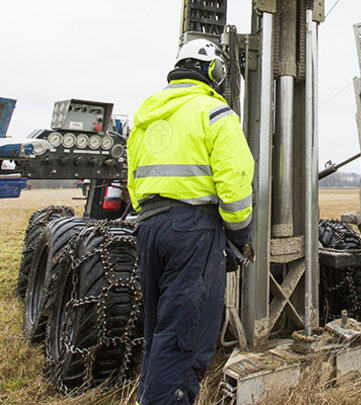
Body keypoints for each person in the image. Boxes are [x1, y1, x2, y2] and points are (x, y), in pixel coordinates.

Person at [127, 39, 254, 404]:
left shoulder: (147, 115)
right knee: (186, 336)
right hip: (193, 232)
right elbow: (235, 181)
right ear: (213, 71)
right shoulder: (214, 112)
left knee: (159, 332)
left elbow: (134, 178)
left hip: (149, 228)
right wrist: (239, 231)